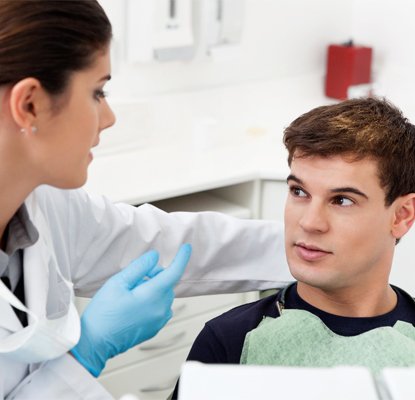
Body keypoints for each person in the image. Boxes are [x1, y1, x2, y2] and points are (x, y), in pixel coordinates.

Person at [0, 1, 290, 399]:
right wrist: (84, 359)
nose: (109, 117)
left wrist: (304, 246)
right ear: (30, 104)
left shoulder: (43, 204)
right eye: (97, 92)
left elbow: (161, 239)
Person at [173, 96, 415, 397]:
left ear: (402, 215)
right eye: (299, 192)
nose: (310, 223)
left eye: (342, 200)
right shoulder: (227, 341)